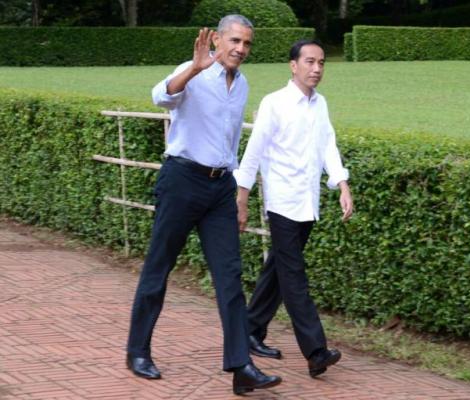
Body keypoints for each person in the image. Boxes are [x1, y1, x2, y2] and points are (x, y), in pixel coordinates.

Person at [125, 14, 281, 395]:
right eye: (234, 41)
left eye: (247, 44)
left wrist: (237, 194)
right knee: (158, 270)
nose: (241, 49)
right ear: (217, 40)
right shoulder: (195, 71)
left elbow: (229, 145)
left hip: (219, 190)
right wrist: (193, 69)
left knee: (229, 278)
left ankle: (241, 365)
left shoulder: (241, 85)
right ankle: (137, 350)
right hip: (181, 181)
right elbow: (161, 96)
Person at [234, 39, 354, 378]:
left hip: (308, 204)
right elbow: (253, 152)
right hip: (283, 204)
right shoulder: (275, 103)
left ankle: (250, 330)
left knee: (277, 269)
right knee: (293, 276)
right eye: (310, 62)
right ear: (293, 65)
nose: (316, 69)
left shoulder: (321, 104)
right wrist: (241, 196)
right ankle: (315, 351)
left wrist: (342, 184)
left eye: (321, 63)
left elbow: (328, 144)